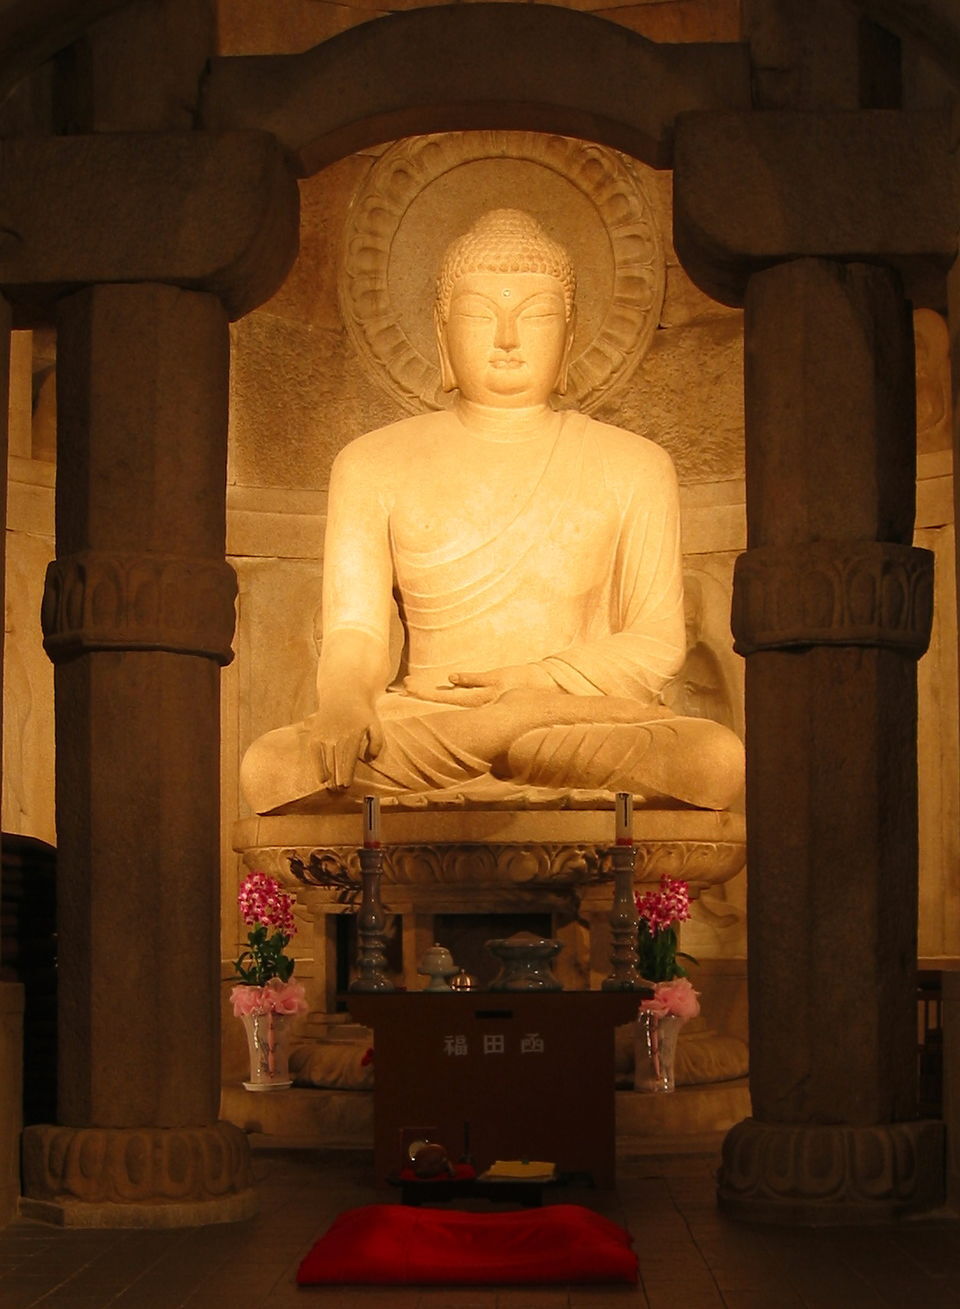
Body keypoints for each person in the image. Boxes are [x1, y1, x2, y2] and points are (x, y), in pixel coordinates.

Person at [241, 210, 743, 814]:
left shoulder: (633, 464)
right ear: (440, 331)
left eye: (535, 316)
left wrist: (534, 684)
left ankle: (520, 728)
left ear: (571, 332)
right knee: (271, 768)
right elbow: (357, 630)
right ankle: (511, 735)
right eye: (481, 314)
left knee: (713, 757)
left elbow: (657, 641)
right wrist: (346, 704)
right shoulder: (372, 462)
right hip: (430, 718)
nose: (507, 339)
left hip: (578, 721)